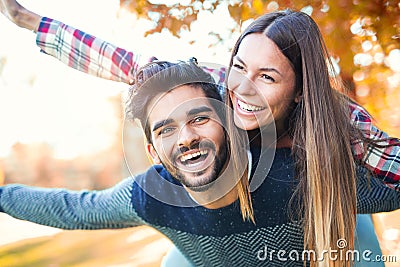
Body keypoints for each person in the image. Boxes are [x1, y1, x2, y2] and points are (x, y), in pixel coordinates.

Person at [1, 1, 399, 265]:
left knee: (353, 236)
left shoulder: (334, 138)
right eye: (241, 67)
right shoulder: (216, 86)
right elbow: (125, 62)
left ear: (300, 92)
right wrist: (29, 21)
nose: (243, 89)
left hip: (325, 219)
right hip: (207, 241)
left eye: (268, 77)